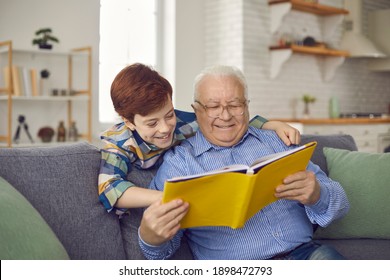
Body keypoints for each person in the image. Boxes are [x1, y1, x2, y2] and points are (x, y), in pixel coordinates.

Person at [138, 65, 350, 260]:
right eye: (213, 106)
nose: (226, 115)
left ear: (247, 105)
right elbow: (160, 253)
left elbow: (341, 204)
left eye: (235, 104)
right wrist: (151, 237)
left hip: (307, 255)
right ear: (197, 110)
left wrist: (317, 194)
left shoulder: (278, 140)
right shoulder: (179, 164)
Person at [98, 63, 301, 216]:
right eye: (152, 124)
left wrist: (271, 125)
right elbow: (109, 187)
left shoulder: (185, 123)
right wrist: (165, 198)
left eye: (169, 114)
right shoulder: (118, 142)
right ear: (129, 122)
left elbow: (225, 121)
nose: (166, 127)